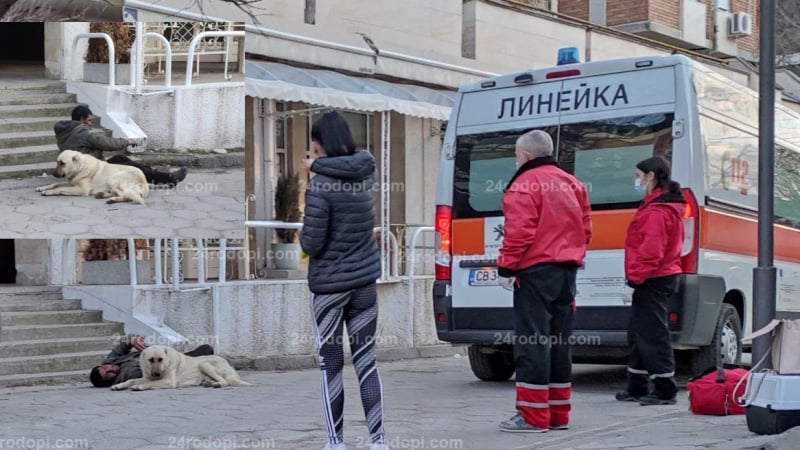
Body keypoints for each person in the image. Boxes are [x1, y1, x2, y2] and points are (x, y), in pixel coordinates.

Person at [300, 111, 388, 450]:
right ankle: (378, 441)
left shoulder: (320, 184)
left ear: (319, 142)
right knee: (367, 361)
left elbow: (312, 243)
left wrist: (315, 171)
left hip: (329, 289)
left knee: (331, 365)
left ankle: (336, 442)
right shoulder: (367, 173)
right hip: (365, 282)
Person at [496, 129, 592, 433]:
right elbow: (586, 229)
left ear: (524, 155)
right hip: (567, 272)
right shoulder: (572, 183)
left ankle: (533, 417)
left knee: (532, 342)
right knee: (559, 342)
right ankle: (558, 414)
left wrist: (506, 268)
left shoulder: (524, 184)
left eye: (516, 154)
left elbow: (519, 232)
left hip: (535, 273)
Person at [616, 156, 686, 406]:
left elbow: (650, 252)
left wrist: (634, 282)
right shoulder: (659, 205)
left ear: (651, 176)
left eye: (638, 175)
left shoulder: (657, 210)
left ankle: (665, 389)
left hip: (653, 278)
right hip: (658, 275)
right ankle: (637, 386)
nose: (637, 180)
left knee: (653, 335)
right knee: (639, 334)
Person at [54, 105, 187, 186]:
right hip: (92, 173)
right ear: (82, 120)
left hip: (85, 170)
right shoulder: (81, 132)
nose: (90, 124)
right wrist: (127, 141)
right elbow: (104, 142)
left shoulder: (64, 133)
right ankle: (167, 178)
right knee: (128, 165)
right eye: (89, 121)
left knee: (120, 159)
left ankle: (154, 173)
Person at [89, 334, 214, 388]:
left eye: (105, 368)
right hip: (168, 364)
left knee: (206, 349)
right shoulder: (126, 376)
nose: (110, 368)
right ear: (108, 381)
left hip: (162, 353)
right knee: (206, 353)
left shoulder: (112, 360)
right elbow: (152, 375)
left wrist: (132, 340)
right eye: (108, 374)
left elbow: (122, 343)